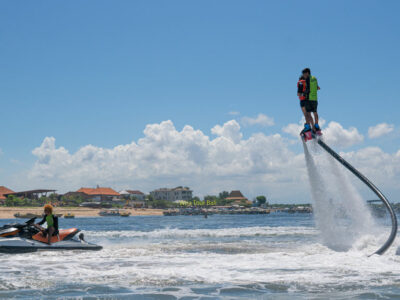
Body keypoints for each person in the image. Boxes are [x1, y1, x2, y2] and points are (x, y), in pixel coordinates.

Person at [301, 68, 321, 133]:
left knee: (308, 114)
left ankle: (310, 128)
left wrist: (303, 94)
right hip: (315, 99)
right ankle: (317, 126)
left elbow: (308, 89)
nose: (303, 76)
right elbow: (318, 87)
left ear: (307, 73)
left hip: (309, 99)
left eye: (304, 74)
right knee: (315, 112)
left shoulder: (307, 79)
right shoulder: (315, 78)